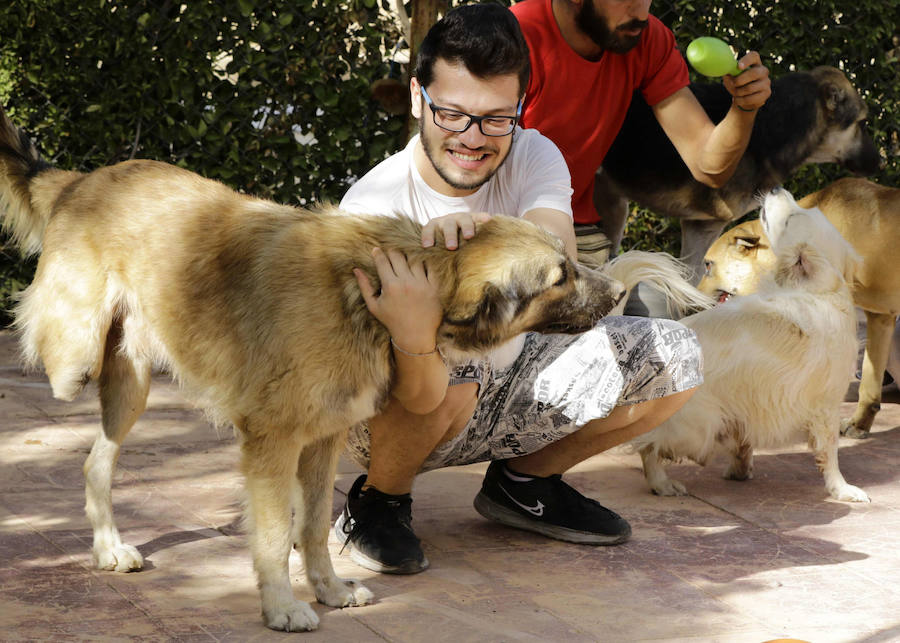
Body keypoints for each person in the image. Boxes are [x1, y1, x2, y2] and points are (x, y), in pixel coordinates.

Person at [333, 2, 703, 575]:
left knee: (678, 357)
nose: (472, 138)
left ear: (520, 110)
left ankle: (525, 484)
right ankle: (379, 502)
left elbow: (559, 259)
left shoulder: (534, 153)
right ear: (416, 99)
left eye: (496, 119)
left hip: (508, 380)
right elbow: (394, 383)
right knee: (460, 363)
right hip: (404, 401)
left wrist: (483, 239)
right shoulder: (373, 208)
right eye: (452, 114)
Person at [510, 0, 772, 276]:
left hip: (576, 229)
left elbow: (709, 167)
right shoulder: (513, 38)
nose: (641, 14)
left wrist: (744, 106)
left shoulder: (646, 41)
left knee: (654, 302)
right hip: (499, 223)